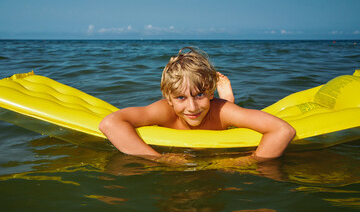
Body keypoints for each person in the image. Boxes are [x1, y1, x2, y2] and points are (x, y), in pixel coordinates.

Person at [99, 47, 296, 166]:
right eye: (181, 98)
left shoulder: (222, 111)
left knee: (227, 109)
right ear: (169, 99)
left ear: (210, 92)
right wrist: (160, 159)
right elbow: (110, 123)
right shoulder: (164, 111)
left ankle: (226, 96)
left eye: (199, 95)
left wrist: (248, 161)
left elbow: (283, 130)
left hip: (219, 112)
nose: (192, 107)